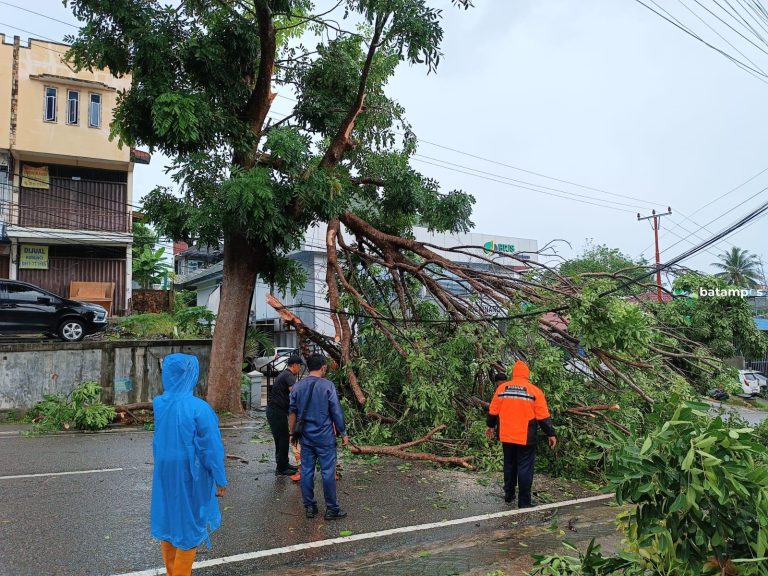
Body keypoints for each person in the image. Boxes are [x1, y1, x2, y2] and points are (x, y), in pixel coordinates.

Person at [150, 353, 228, 576]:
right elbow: (211, 449)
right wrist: (220, 479)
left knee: (169, 520)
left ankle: (172, 571)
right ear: (192, 375)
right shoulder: (199, 408)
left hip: (164, 472)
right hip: (189, 474)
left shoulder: (160, 403)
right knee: (189, 525)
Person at [486, 360, 556, 508]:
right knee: (525, 467)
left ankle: (509, 495)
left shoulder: (502, 389)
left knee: (509, 465)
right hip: (525, 436)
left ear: (513, 374)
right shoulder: (534, 391)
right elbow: (543, 416)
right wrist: (551, 433)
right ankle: (524, 502)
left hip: (506, 435)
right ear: (527, 374)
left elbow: (493, 410)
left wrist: (490, 426)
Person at [289, 353, 349, 520]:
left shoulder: (298, 386)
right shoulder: (328, 385)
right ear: (323, 367)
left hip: (306, 437)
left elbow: (292, 412)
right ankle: (332, 509)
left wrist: (291, 433)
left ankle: (310, 507)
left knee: (306, 471)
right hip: (325, 437)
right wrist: (343, 433)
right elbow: (336, 412)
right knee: (328, 472)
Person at [266, 355, 303, 476]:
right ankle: (281, 469)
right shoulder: (288, 375)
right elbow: (295, 392)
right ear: (295, 365)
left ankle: (283, 464)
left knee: (281, 439)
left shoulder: (284, 374)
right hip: (276, 411)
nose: (300, 368)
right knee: (282, 439)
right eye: (300, 366)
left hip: (275, 410)